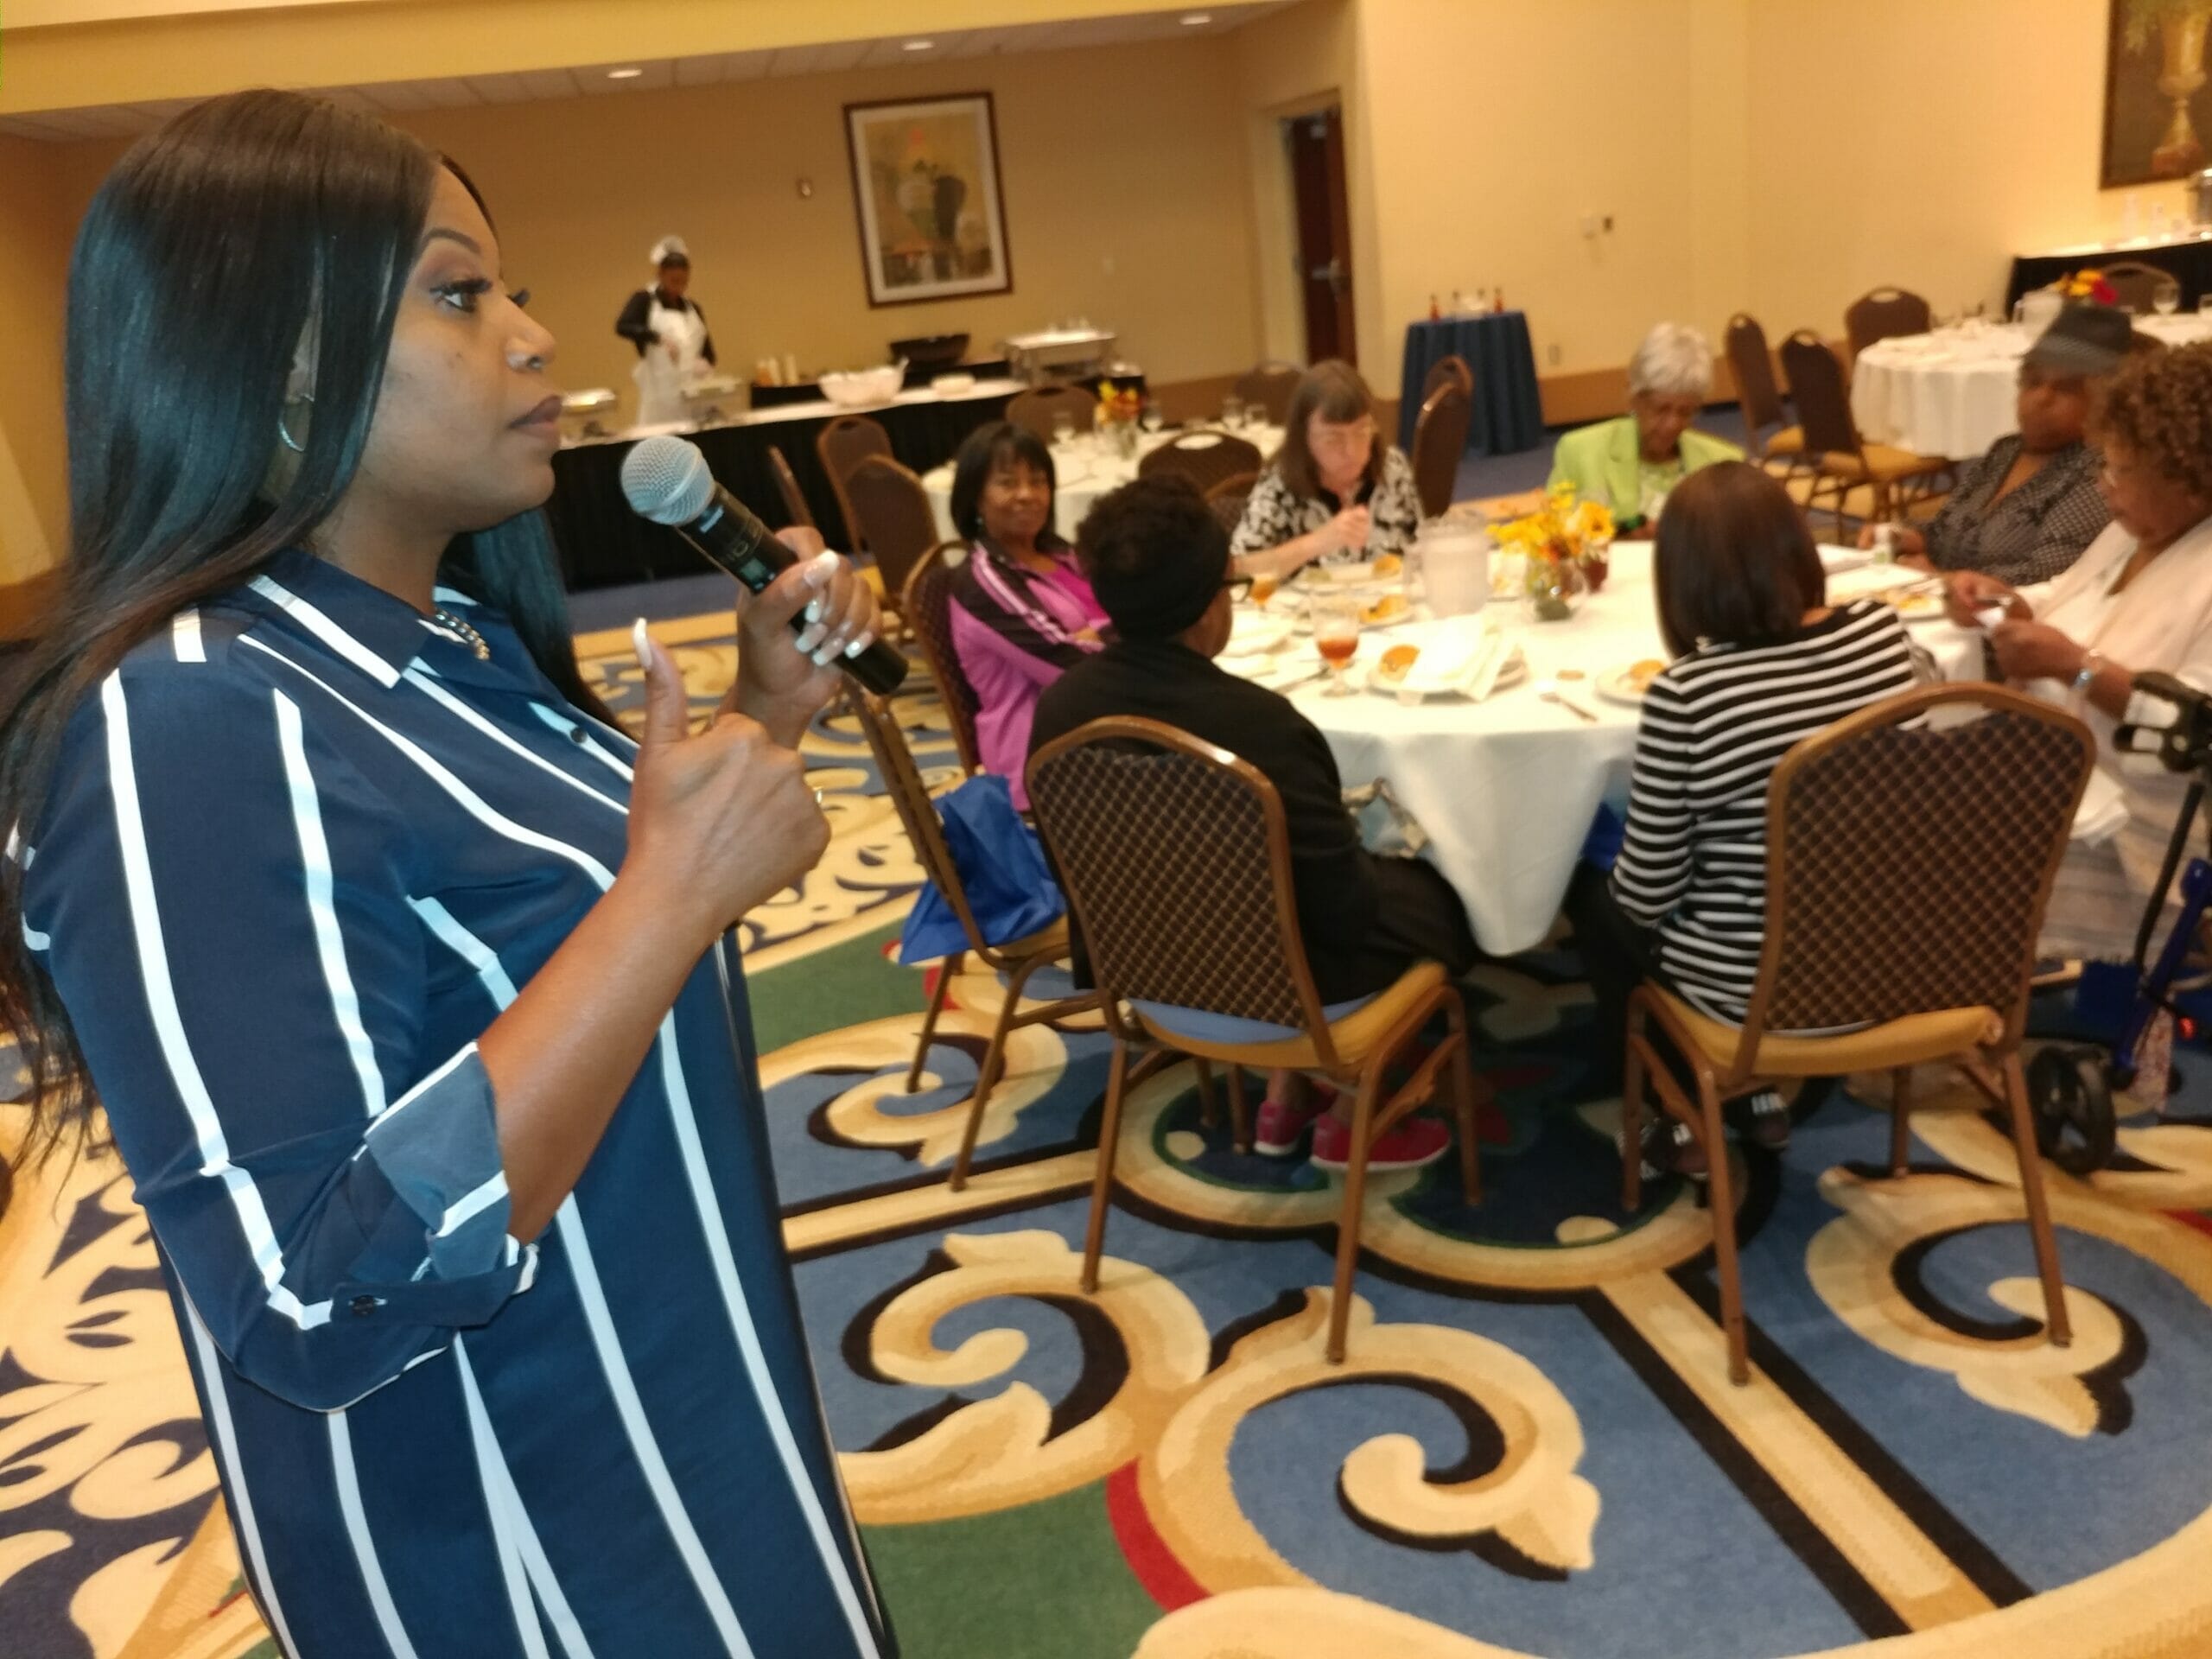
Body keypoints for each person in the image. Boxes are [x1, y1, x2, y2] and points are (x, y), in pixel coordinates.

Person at [6, 92, 894, 1657]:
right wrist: (671, 894)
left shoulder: (454, 651)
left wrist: (761, 720)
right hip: (522, 1544)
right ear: (280, 363)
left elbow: (560, 981)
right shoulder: (188, 721)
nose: (539, 337)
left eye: (511, 288)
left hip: (679, 1414)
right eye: (460, 293)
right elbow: (313, 1295)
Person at [1030, 474, 1479, 1173]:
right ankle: (1356, 1110)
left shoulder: (1060, 713)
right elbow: (1346, 911)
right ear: (1210, 606)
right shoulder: (1260, 725)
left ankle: (1283, 1095)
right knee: (1448, 899)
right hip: (1295, 998)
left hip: (1147, 991)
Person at [1569, 462, 1928, 1174]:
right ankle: (1755, 1099)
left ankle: (1682, 1108)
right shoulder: (1886, 637)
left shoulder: (1690, 696)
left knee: (1587, 889)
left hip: (1755, 996)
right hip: (1899, 964)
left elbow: (1647, 897)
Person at [1942, 340, 2212, 964]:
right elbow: (2071, 601)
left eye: (2119, 472)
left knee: (1921, 826)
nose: (2103, 485)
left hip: (2138, 820)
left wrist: (2076, 667)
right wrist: (2007, 601)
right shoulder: (2133, 531)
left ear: (2190, 483)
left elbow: (2194, 725)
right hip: (2057, 764)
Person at [1859, 305, 2122, 587]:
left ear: (2101, 402)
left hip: (2014, 621)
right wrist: (1903, 536)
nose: (2042, 398)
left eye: (2066, 389)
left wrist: (1941, 579)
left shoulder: (2095, 470)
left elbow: (2050, 575)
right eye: (2033, 382)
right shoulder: (2007, 450)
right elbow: (1945, 530)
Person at [945, 421, 1108, 808]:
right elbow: (1066, 663)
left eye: (1037, 482)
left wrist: (1097, 631)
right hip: (1043, 761)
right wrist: (1116, 633)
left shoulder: (1059, 552)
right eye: (1007, 483)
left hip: (1100, 726)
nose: (1027, 495)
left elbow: (1129, 606)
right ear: (976, 499)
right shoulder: (983, 581)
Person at [1230, 359, 1423, 580]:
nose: (1351, 451)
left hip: (1390, 607)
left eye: (1361, 432)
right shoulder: (1280, 484)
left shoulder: (1393, 469)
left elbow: (1422, 548)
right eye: (1333, 439)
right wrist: (1316, 542)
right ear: (1304, 438)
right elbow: (1237, 570)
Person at [1548, 323, 1742, 527]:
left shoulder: (1723, 463)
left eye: (1685, 412)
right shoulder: (1579, 453)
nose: (1672, 424)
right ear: (1634, 398)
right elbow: (1554, 539)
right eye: (1660, 409)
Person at [615, 234, 718, 426]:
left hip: (693, 397)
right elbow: (623, 326)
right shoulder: (644, 300)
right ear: (660, 275)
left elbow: (708, 352)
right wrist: (658, 337)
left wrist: (705, 364)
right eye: (674, 281)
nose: (679, 288)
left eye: (684, 282)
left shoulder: (693, 308)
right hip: (659, 401)